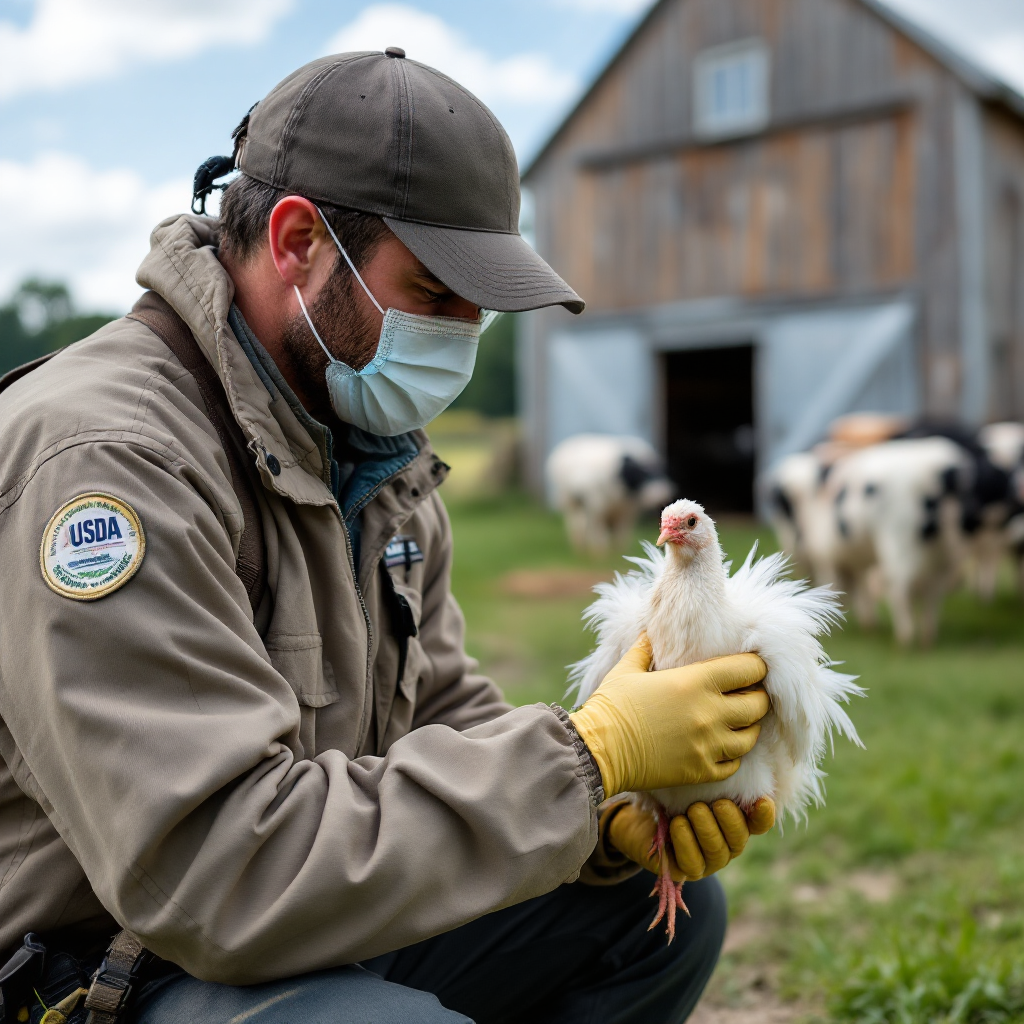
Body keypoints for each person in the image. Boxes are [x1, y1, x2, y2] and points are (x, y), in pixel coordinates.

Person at [0, 50, 773, 1024]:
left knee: (651, 911)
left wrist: (602, 824)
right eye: (435, 291)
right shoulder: (108, 464)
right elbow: (218, 870)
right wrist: (586, 760)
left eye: (480, 300)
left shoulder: (369, 450)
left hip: (266, 918)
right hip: (97, 966)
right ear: (297, 242)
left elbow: (441, 717)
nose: (466, 329)